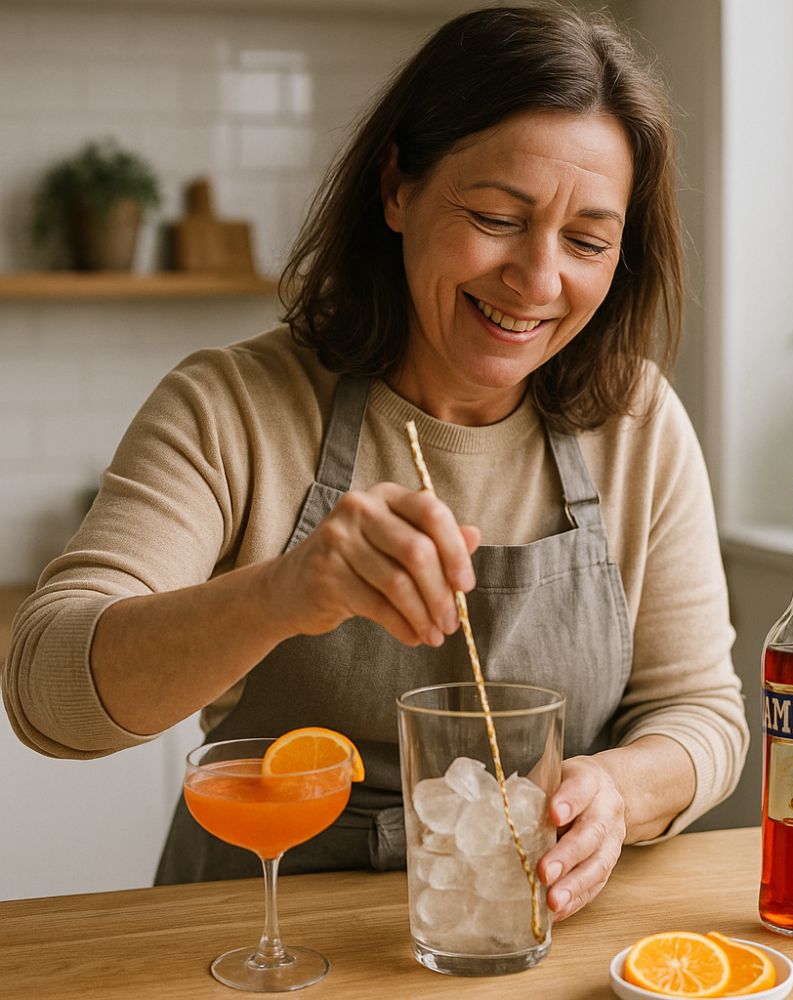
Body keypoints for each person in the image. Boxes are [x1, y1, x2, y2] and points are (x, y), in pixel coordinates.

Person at [2, 3, 748, 921]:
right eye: (496, 217)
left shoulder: (636, 422)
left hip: (525, 938)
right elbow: (47, 694)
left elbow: (701, 713)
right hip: (252, 938)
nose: (539, 279)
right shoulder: (232, 407)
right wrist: (282, 594)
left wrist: (618, 790)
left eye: (587, 241)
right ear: (397, 188)